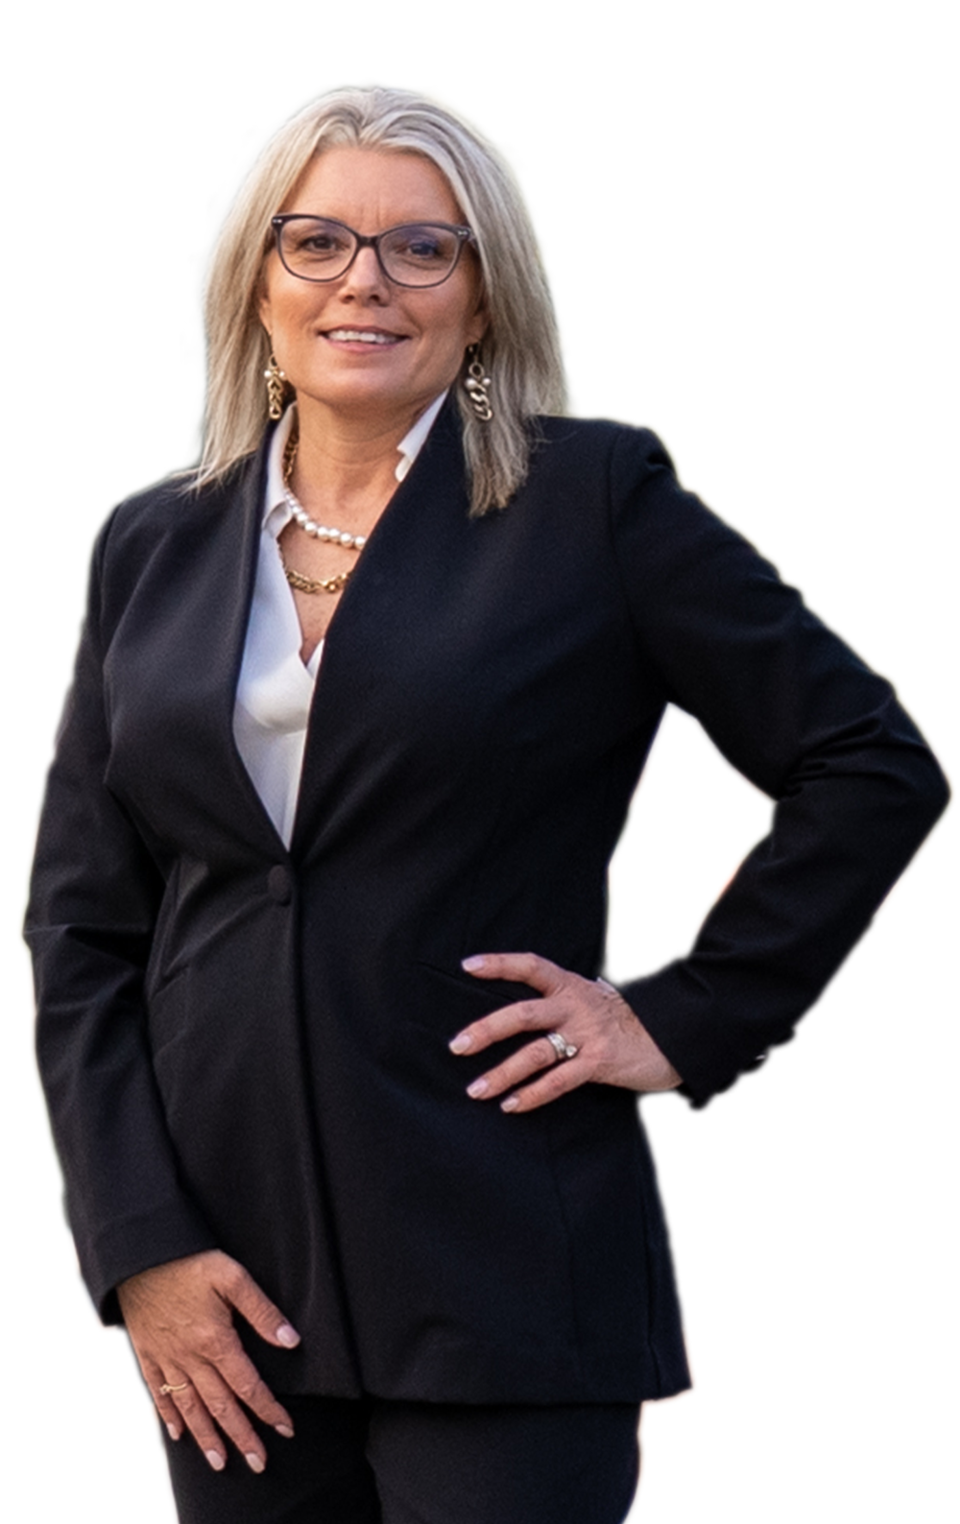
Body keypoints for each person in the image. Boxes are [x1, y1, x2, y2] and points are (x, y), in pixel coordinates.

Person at [24, 82, 951, 1524]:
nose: (364, 283)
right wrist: (137, 1240)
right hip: (228, 1283)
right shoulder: (151, 542)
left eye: (422, 249)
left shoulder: (595, 501)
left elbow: (873, 764)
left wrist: (684, 1014)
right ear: (257, 283)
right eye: (318, 242)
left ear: (483, 299)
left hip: (505, 1248)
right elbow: (81, 927)